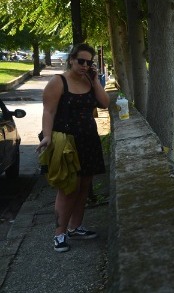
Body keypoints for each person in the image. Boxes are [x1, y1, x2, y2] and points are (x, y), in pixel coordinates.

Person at [36, 43, 110, 252]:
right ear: (71, 60)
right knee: (68, 187)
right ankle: (59, 234)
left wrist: (95, 80)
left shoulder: (89, 80)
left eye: (89, 62)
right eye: (81, 61)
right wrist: (47, 137)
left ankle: (75, 227)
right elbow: (48, 112)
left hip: (89, 140)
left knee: (84, 186)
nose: (85, 65)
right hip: (66, 142)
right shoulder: (58, 82)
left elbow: (105, 103)